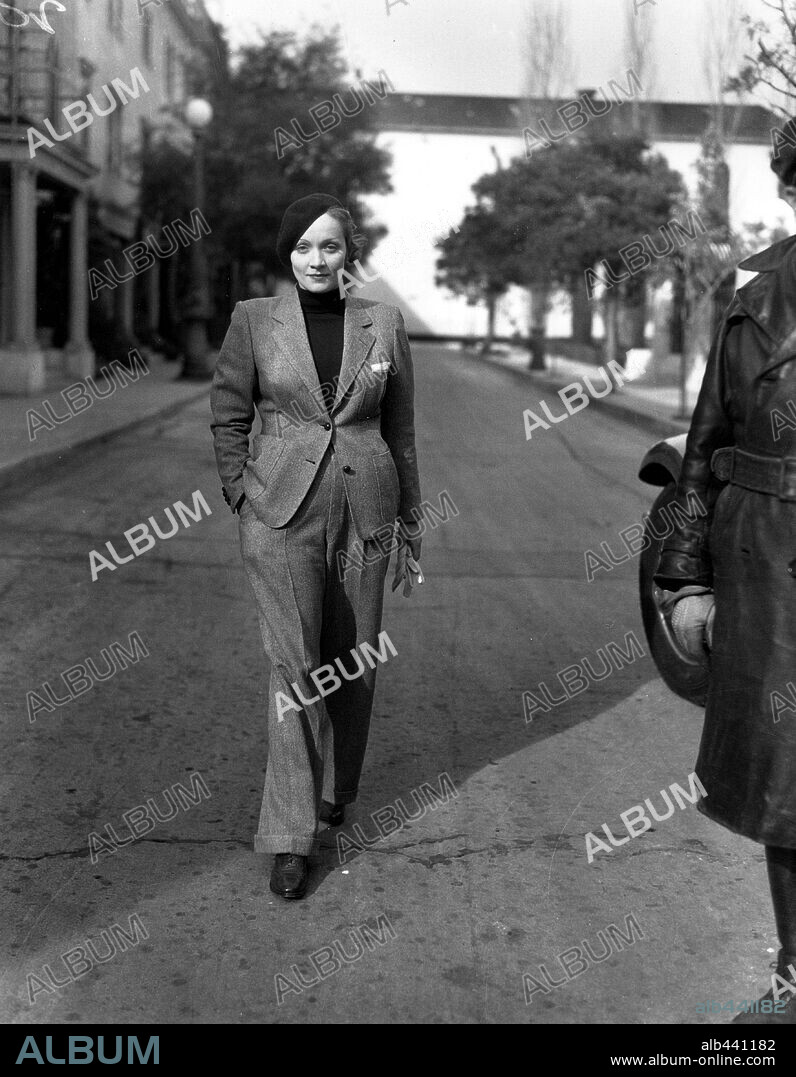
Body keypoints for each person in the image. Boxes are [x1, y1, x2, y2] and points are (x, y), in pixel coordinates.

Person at [210, 194, 422, 900]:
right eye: (303, 247)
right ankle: (290, 836)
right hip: (280, 517)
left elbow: (402, 430)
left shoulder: (383, 323)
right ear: (287, 254)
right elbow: (228, 411)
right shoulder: (254, 320)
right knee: (294, 668)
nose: (316, 259)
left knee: (352, 666)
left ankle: (339, 791)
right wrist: (243, 495)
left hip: (367, 510)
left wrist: (411, 524)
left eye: (329, 246)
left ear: (347, 251)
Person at [655, 122, 796, 1023]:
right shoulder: (754, 287)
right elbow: (704, 443)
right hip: (766, 562)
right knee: (786, 780)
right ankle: (795, 974)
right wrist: (683, 577)